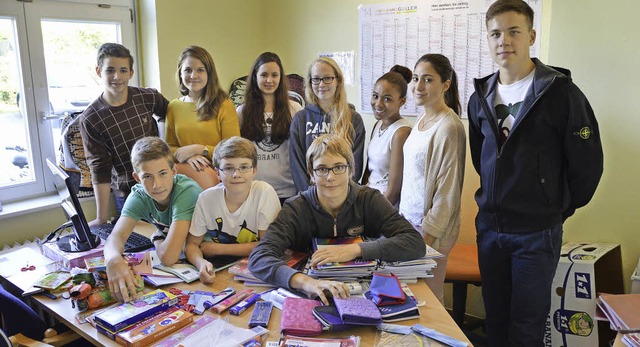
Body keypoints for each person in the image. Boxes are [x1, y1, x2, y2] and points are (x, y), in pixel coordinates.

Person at [468, 1, 603, 345]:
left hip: (536, 233)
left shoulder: (561, 93)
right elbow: (480, 156)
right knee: (494, 321)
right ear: (488, 38)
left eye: (514, 31)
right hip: (490, 228)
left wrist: (555, 208)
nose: (504, 41)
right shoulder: (479, 96)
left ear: (531, 35)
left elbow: (586, 166)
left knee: (527, 327)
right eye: (496, 33)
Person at [249, 134, 425, 304]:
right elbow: (259, 257)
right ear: (311, 174)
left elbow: (414, 241)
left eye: (339, 167)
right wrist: (306, 283)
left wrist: (356, 249)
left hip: (365, 292)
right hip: (312, 294)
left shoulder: (370, 199)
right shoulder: (296, 208)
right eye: (322, 169)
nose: (330, 177)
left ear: (350, 170)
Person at [398, 54, 466, 305]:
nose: (418, 86)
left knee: (428, 305)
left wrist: (423, 242)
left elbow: (446, 196)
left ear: (445, 85)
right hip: (408, 225)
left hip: (429, 233)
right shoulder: (421, 120)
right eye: (416, 79)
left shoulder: (449, 127)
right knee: (407, 303)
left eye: (428, 80)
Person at [80, 43, 169, 226]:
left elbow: (173, 115)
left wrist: (167, 144)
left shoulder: (148, 97)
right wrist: (101, 218)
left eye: (123, 70)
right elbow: (100, 169)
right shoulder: (91, 119)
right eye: (110, 70)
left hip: (164, 187)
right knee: (138, 248)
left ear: (131, 73)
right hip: (129, 195)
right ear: (99, 71)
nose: (117, 77)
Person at [104, 137, 202, 302]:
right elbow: (115, 238)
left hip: (209, 259)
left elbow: (169, 258)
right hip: (185, 263)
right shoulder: (139, 195)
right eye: (147, 177)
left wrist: (157, 238)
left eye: (163, 173)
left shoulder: (187, 192)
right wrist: (113, 259)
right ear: (137, 178)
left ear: (174, 171)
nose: (157, 184)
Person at [186, 136, 280, 284]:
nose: (236, 174)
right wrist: (200, 263)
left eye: (244, 167)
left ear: (254, 170)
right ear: (217, 173)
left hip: (257, 267)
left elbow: (267, 246)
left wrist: (218, 249)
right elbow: (192, 244)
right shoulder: (206, 199)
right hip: (220, 269)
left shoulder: (264, 193)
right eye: (229, 168)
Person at [165, 45, 240, 189]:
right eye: (188, 70)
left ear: (209, 74)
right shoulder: (173, 106)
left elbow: (234, 149)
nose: (193, 76)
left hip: (220, 179)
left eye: (200, 70)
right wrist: (189, 156)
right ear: (180, 73)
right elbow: (170, 149)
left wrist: (200, 150)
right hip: (184, 180)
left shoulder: (223, 104)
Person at [289, 57, 366, 192]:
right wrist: (312, 196)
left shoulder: (354, 119)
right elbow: (297, 165)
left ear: (338, 81)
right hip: (310, 198)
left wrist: (339, 194)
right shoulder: (300, 119)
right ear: (310, 83)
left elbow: (355, 166)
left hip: (343, 196)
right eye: (316, 79)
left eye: (327, 78)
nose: (322, 84)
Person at [237, 52, 303, 204]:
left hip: (287, 191)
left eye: (274, 75)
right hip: (253, 189)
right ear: (255, 77)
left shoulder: (295, 109)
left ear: (281, 78)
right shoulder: (242, 112)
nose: (269, 80)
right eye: (264, 75)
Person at [361, 65, 412, 206]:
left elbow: (394, 191)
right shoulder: (377, 125)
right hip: (368, 199)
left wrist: (373, 218)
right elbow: (369, 172)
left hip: (385, 208)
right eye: (375, 96)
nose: (378, 104)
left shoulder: (401, 132)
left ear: (402, 101)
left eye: (387, 99)